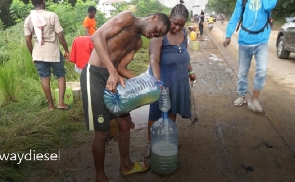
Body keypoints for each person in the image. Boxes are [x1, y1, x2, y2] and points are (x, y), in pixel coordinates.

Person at [80, 10, 171, 181]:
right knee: (103, 131)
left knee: (124, 123)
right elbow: (97, 37)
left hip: (113, 76)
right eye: (156, 30)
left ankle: (126, 165)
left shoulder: (137, 42)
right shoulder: (127, 18)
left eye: (157, 36)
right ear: (154, 18)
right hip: (94, 75)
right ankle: (100, 176)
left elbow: (121, 67)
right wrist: (112, 70)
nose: (153, 35)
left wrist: (146, 82)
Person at [145, 4, 196, 158]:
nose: (177, 27)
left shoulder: (184, 33)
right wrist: (158, 83)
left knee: (172, 111)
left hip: (179, 78)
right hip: (162, 78)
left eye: (181, 24)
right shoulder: (160, 34)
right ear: (169, 17)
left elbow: (184, 52)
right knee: (156, 113)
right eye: (175, 23)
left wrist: (190, 70)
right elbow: (154, 60)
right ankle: (151, 143)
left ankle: (168, 137)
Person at [223, 0, 277, 112]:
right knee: (243, 71)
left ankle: (255, 99)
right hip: (244, 41)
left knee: (262, 70)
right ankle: (242, 96)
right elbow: (235, 16)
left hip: (261, 40)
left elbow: (268, 6)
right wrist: (228, 35)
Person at [24, 0, 70, 111]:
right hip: (53, 51)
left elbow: (28, 41)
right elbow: (60, 35)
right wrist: (66, 50)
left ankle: (50, 106)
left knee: (44, 78)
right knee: (60, 75)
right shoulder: (52, 15)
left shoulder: (28, 19)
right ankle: (61, 103)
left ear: (32, 4)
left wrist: (33, 54)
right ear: (43, 2)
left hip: (38, 52)